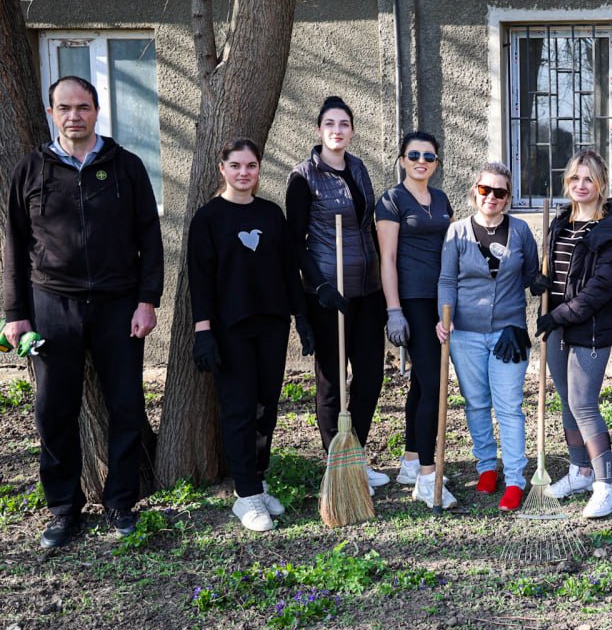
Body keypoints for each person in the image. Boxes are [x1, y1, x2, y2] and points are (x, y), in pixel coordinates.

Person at [2, 75, 162, 548]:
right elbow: (13, 245)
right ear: (51, 113)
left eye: (83, 107)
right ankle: (63, 508)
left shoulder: (126, 167)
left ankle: (120, 502)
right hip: (52, 304)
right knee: (54, 410)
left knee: (126, 406)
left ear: (96, 111)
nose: (74, 116)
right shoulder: (31, 170)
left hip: (119, 305)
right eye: (65, 108)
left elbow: (150, 238)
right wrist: (15, 312)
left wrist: (147, 300)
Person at [188, 139, 314, 532]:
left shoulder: (271, 214)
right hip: (231, 329)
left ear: (259, 170)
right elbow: (200, 280)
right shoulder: (208, 218)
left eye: (251, 166)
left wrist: (301, 318)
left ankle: (258, 481)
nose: (244, 173)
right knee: (240, 409)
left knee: (266, 408)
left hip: (272, 324)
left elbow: (289, 270)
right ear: (222, 168)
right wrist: (203, 331)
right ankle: (245, 495)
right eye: (236, 165)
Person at [286, 95, 389, 494]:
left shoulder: (359, 168)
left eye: (344, 123)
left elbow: (368, 227)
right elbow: (295, 243)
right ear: (319, 129)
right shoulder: (303, 177)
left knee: (371, 375)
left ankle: (354, 455)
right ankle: (338, 466)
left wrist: (383, 289)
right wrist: (321, 285)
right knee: (332, 381)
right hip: (328, 294)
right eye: (330, 123)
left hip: (366, 291)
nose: (337, 130)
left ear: (352, 130)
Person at [535, 150, 612, 519]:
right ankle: (580, 472)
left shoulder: (611, 232)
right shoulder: (560, 222)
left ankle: (607, 486)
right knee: (567, 401)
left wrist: (559, 314)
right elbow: (556, 271)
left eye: (589, 179)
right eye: (575, 178)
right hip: (558, 324)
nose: (581, 185)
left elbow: (601, 289)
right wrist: (539, 281)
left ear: (602, 184)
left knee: (583, 403)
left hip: (591, 327)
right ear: (567, 182)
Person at [437, 162, 541, 511]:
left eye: (500, 192)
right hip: (465, 333)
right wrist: (444, 317)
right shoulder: (457, 232)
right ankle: (486, 466)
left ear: (508, 198)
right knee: (476, 402)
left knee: (509, 406)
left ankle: (514, 479)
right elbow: (447, 280)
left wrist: (538, 283)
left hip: (509, 334)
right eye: (485, 190)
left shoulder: (520, 231)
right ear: (475, 191)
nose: (491, 197)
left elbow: (531, 274)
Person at [375, 132, 456, 507]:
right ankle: (427, 475)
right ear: (402, 160)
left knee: (423, 385)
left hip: (442, 299)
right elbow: (387, 259)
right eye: (414, 155)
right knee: (434, 383)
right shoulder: (392, 200)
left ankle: (410, 460)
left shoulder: (441, 199)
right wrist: (394, 310)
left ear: (436, 163)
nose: (421, 161)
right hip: (413, 300)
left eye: (429, 156)